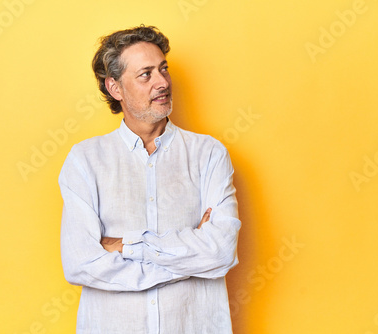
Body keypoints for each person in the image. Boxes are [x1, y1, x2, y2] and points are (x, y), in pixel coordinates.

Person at [58, 25, 241, 333]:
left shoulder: (209, 154)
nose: (163, 82)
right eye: (146, 74)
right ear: (115, 88)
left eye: (164, 69)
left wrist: (127, 246)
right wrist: (189, 261)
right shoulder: (85, 160)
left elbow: (220, 252)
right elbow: (81, 263)